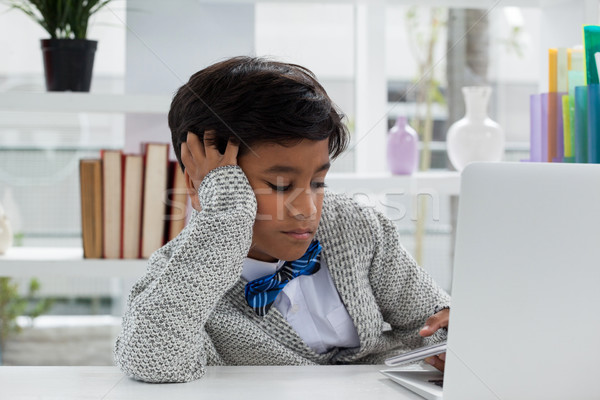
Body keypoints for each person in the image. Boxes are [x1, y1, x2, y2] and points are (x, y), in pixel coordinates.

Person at [114, 56, 450, 383]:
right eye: (279, 185)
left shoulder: (356, 226)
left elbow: (430, 323)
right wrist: (226, 214)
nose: (307, 207)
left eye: (317, 183)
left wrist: (450, 335)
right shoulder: (182, 278)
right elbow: (151, 361)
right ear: (201, 183)